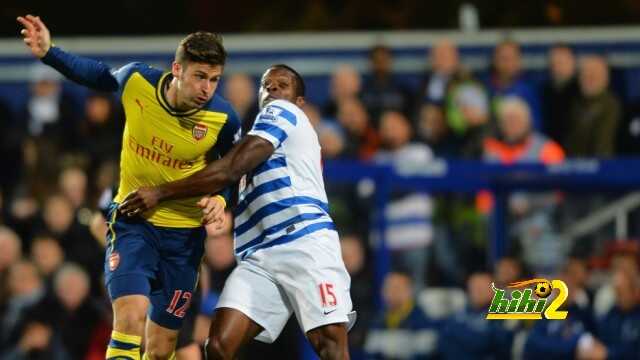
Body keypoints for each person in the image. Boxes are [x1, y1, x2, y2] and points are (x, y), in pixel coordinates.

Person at [18, 14, 240, 360]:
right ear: (177, 69)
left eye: (214, 79)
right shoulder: (139, 81)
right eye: (199, 76)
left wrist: (220, 200)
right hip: (134, 222)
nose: (206, 89)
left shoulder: (224, 119)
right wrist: (50, 53)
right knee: (131, 318)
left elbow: (231, 170)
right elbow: (99, 75)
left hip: (184, 239)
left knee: (163, 347)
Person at [119, 64, 355, 359]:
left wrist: (160, 192)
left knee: (330, 345)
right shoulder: (257, 135)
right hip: (259, 255)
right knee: (218, 346)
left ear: (299, 102)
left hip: (302, 241)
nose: (272, 89)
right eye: (267, 84)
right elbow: (231, 178)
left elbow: (230, 169)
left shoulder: (285, 113)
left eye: (282, 85)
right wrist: (218, 204)